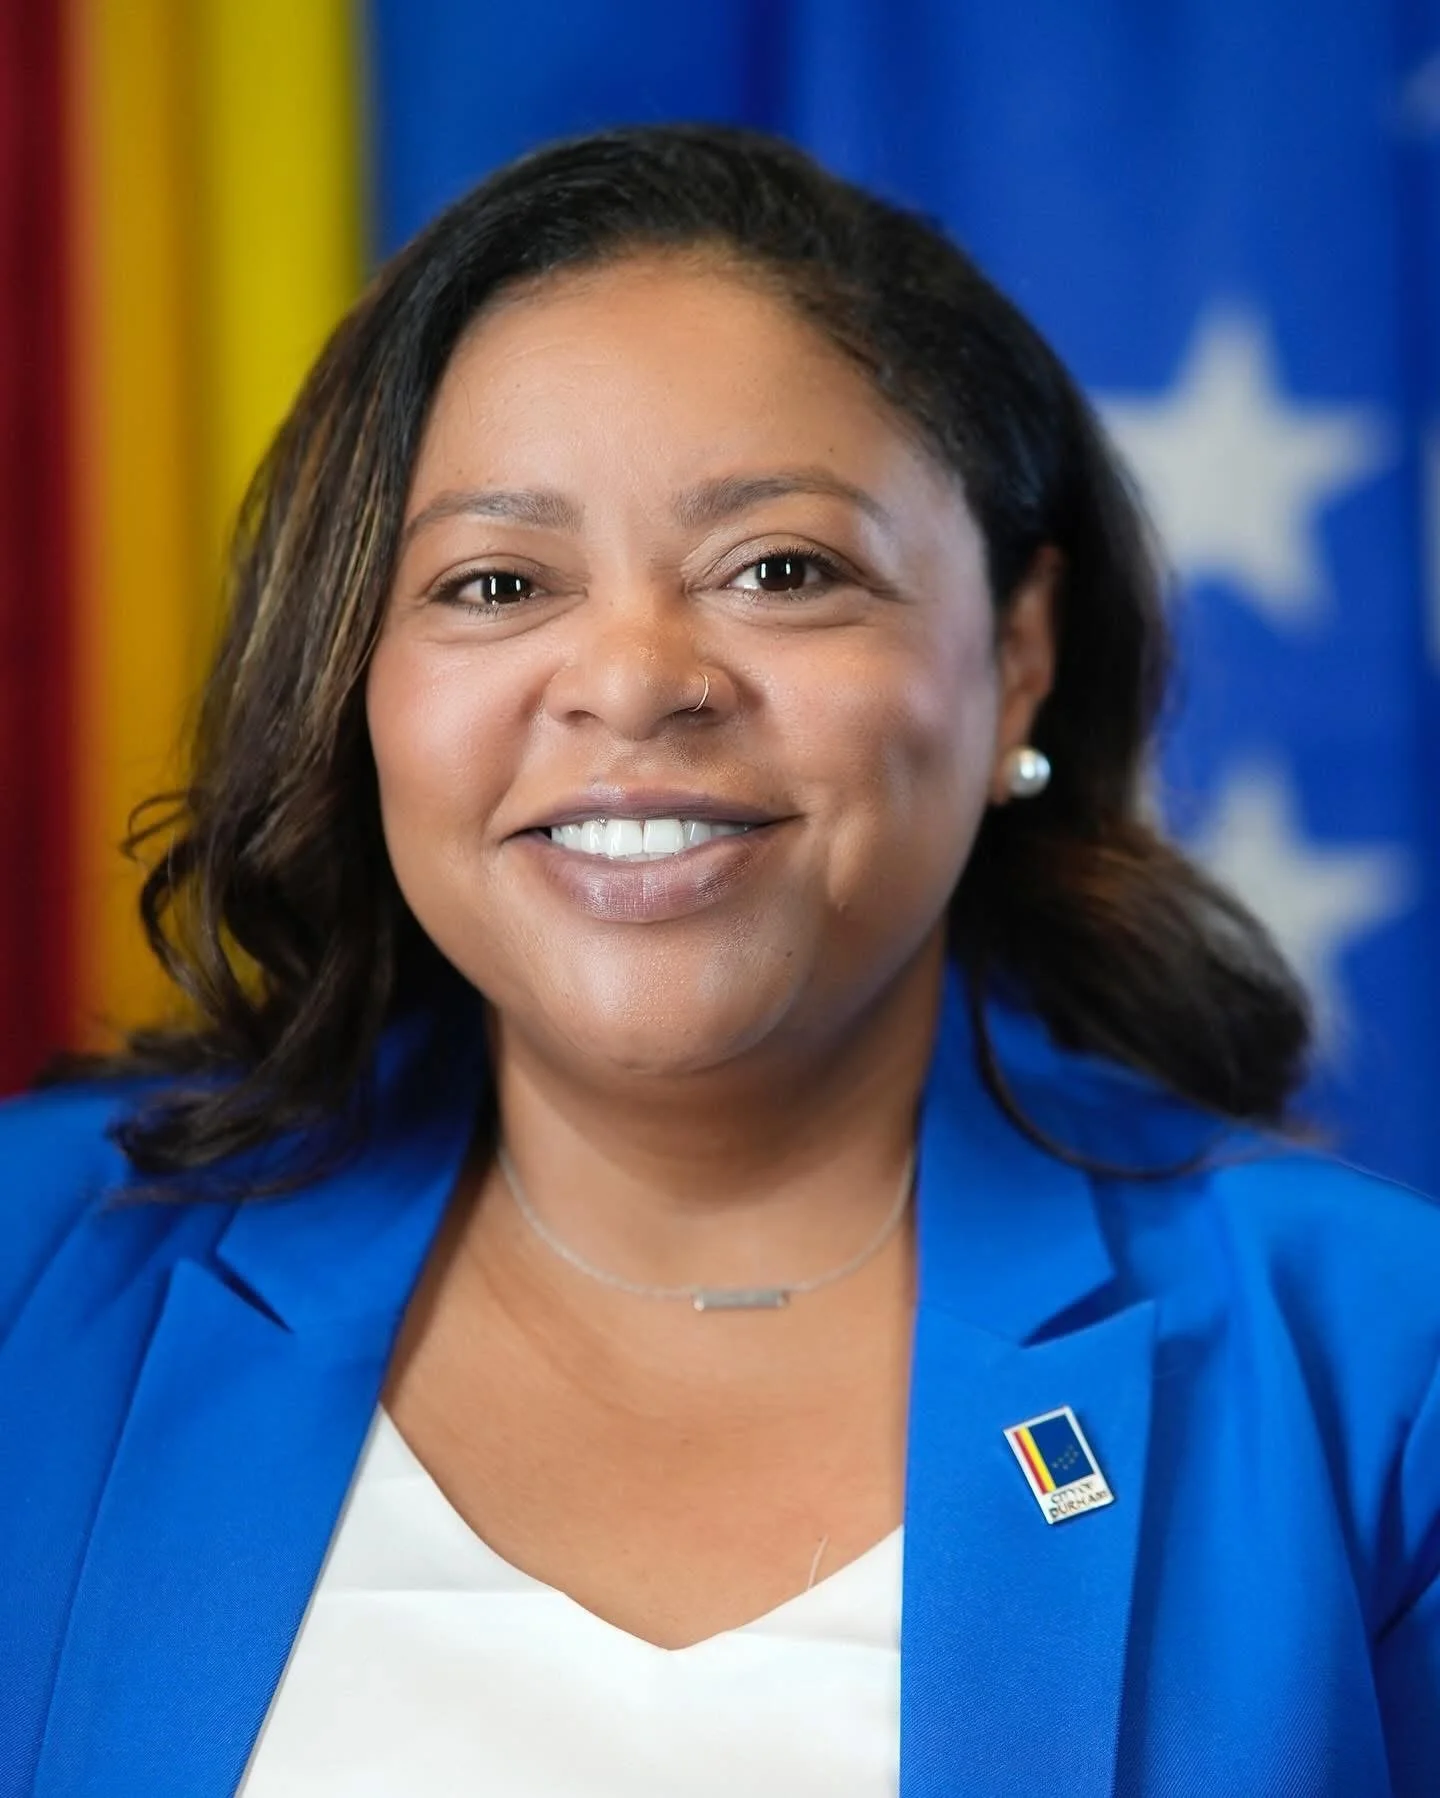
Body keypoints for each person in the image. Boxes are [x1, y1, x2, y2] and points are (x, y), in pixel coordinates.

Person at [1, 122, 1437, 1798]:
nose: (634, 679)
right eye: (496, 579)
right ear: (356, 684)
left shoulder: (1382, 1368)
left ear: (1020, 662)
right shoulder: (30, 1275)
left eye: (782, 568)